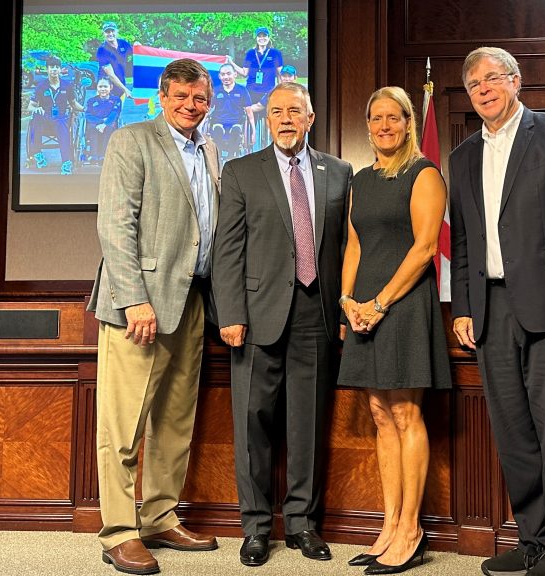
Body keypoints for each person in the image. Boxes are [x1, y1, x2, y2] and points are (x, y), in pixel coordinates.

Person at [449, 46, 545, 576]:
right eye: (474, 85)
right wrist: (466, 305)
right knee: (515, 434)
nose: (484, 89)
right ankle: (535, 538)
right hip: (492, 311)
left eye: (493, 79)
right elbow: (467, 240)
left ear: (517, 81)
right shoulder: (464, 154)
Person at [88, 58, 221, 576]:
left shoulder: (209, 147)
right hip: (139, 304)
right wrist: (133, 299)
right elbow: (115, 225)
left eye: (201, 98)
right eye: (182, 97)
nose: (192, 106)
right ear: (162, 98)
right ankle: (120, 532)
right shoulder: (133, 139)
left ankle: (161, 515)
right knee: (123, 426)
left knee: (173, 421)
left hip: (191, 300)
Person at [212, 81, 352, 568]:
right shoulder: (241, 171)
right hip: (254, 317)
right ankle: (255, 527)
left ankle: (302, 524)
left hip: (317, 314)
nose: (286, 119)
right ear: (266, 120)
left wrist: (344, 309)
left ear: (310, 118)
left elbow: (342, 248)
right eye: (277, 112)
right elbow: (227, 250)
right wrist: (229, 313)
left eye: (295, 111)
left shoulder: (338, 171)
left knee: (307, 425)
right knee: (253, 423)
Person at [338, 86, 451, 575]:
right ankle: (388, 526)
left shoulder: (423, 174)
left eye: (393, 117)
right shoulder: (361, 179)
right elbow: (354, 247)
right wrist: (348, 303)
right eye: (376, 117)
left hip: (402, 306)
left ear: (408, 121)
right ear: (368, 125)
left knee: (405, 414)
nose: (384, 125)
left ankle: (411, 530)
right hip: (363, 309)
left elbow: (426, 248)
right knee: (381, 415)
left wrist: (380, 303)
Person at [25, 55, 84, 175]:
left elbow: (73, 104)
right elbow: (30, 106)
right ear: (47, 69)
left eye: (57, 67)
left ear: (60, 69)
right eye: (52, 67)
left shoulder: (67, 85)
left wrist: (85, 109)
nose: (54, 69)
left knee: (63, 123)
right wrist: (36, 109)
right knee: (36, 116)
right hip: (45, 118)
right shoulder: (41, 86)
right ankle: (38, 154)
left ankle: (67, 162)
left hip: (60, 119)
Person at [208, 63, 255, 161]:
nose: (226, 77)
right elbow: (207, 110)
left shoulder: (242, 90)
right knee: (217, 130)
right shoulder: (215, 90)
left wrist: (253, 132)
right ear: (219, 76)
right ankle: (219, 157)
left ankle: (231, 157)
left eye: (228, 74)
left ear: (235, 74)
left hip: (236, 122)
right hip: (218, 122)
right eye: (223, 74)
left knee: (236, 131)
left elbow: (249, 113)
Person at [226, 26, 284, 104]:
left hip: (268, 92)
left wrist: (281, 91)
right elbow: (244, 73)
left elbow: (280, 74)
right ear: (256, 38)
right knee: (251, 114)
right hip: (251, 91)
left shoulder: (276, 53)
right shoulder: (250, 53)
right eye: (259, 36)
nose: (262, 38)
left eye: (264, 36)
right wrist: (231, 63)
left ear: (268, 38)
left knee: (267, 115)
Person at [84, 78, 122, 165]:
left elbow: (114, 114)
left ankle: (104, 156)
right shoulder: (91, 101)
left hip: (109, 123)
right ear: (97, 88)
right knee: (92, 128)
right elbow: (88, 115)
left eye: (105, 86)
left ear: (110, 87)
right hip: (95, 124)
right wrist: (100, 122)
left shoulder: (116, 100)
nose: (103, 89)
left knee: (109, 127)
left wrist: (104, 124)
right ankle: (93, 155)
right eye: (100, 86)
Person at [96, 22, 134, 101]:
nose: (110, 34)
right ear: (103, 34)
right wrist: (126, 90)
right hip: (106, 87)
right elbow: (111, 75)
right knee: (103, 112)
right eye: (107, 32)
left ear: (116, 32)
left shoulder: (123, 43)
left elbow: (137, 52)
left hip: (121, 86)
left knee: (118, 112)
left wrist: (138, 47)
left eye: (112, 31)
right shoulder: (102, 50)